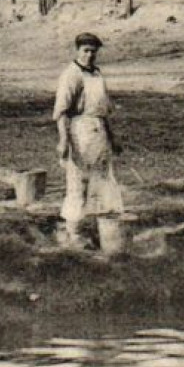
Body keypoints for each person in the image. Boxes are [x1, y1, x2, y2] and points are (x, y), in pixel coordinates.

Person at [53, 32, 124, 248]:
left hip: (99, 132)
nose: (90, 55)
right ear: (77, 51)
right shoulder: (71, 75)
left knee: (103, 181)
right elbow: (62, 112)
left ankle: (99, 230)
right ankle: (73, 232)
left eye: (94, 52)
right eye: (86, 51)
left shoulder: (97, 74)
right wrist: (64, 140)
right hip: (79, 131)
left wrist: (112, 137)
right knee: (78, 182)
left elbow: (103, 111)